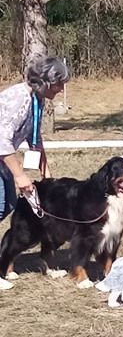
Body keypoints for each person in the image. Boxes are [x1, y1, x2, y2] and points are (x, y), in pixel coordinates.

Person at [0, 56, 70, 290]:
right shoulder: (20, 97)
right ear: (48, 82)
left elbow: (34, 139)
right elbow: (2, 139)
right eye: (59, 84)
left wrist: (45, 172)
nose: (61, 89)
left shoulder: (36, 101)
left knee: (7, 204)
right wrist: (20, 176)